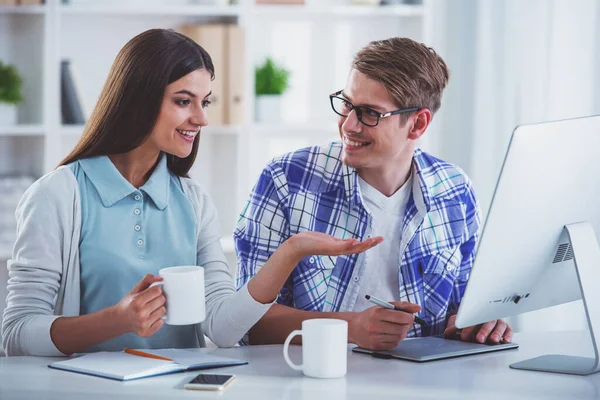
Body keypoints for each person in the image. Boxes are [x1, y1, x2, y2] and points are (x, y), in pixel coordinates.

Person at [1, 29, 381, 357]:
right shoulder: (57, 196)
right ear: (139, 98)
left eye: (205, 102)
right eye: (184, 101)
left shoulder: (193, 200)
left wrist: (291, 251)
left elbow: (223, 327)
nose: (201, 119)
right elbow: (16, 334)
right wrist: (115, 321)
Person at [235, 37, 513, 350]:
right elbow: (245, 326)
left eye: (370, 113)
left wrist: (480, 322)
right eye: (347, 104)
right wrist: (350, 327)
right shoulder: (286, 179)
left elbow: (460, 313)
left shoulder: (454, 190)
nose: (348, 125)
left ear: (417, 124)